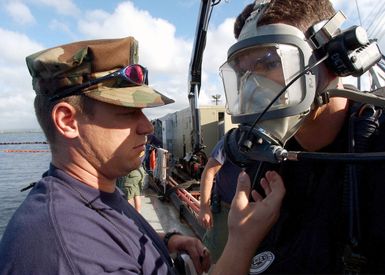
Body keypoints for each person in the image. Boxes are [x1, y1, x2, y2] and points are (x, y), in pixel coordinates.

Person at [0, 36, 286, 274]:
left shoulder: (91, 194)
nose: (147, 127)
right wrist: (242, 240)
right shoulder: (64, 251)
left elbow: (108, 240)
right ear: (67, 121)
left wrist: (166, 241)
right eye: (127, 113)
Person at [220, 0, 385, 273]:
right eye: (244, 73)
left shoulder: (376, 153)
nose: (251, 87)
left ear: (333, 59)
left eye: (268, 63)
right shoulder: (260, 162)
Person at [198, 136, 242, 263]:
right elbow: (209, 171)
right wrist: (204, 208)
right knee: (214, 255)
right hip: (225, 211)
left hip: (253, 213)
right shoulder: (231, 141)